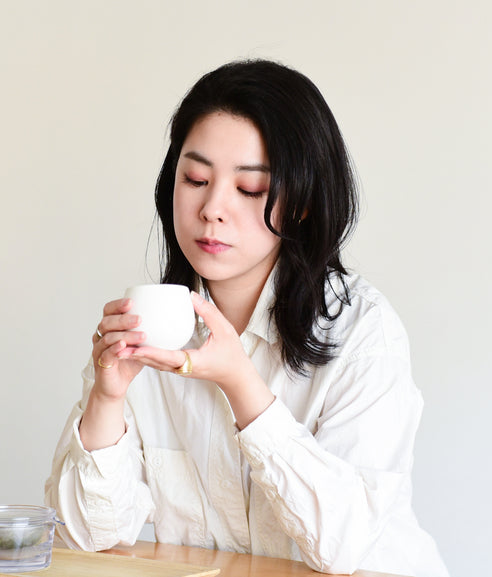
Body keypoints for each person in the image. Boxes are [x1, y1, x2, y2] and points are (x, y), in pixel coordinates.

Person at [44, 59, 449, 577]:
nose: (212, 207)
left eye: (249, 188)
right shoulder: (154, 323)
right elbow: (85, 535)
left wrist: (241, 385)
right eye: (195, 178)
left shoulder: (362, 331)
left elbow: (345, 547)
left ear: (300, 202)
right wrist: (107, 396)